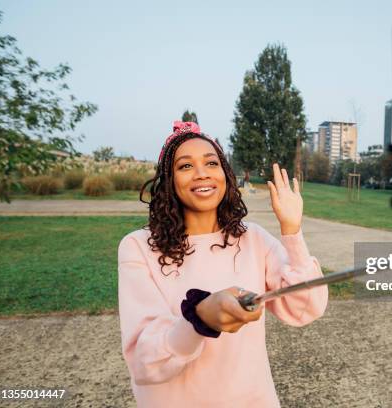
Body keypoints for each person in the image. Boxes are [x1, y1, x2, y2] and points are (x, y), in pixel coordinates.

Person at [117, 121, 328, 408]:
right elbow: (145, 362)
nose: (202, 173)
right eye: (185, 166)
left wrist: (292, 231)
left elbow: (306, 307)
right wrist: (199, 318)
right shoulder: (138, 247)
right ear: (169, 180)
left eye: (211, 163)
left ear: (225, 174)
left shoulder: (253, 238)